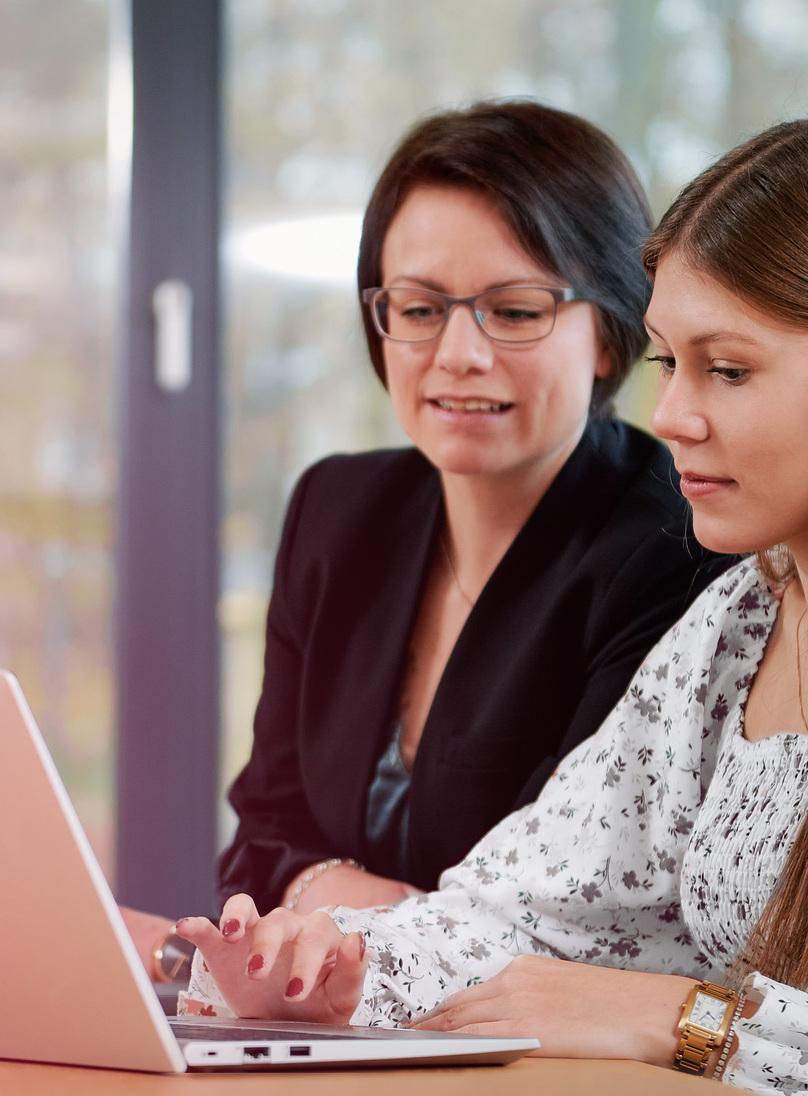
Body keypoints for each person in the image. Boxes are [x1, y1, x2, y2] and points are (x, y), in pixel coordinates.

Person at [176, 110, 808, 1093]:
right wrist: (339, 968)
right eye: (671, 361)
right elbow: (520, 907)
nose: (671, 417)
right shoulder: (740, 621)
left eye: (728, 369)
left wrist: (683, 1018)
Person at [124, 101, 730, 979]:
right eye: (419, 307)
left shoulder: (669, 553)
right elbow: (260, 841)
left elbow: (562, 914)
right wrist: (338, 902)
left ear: (609, 333)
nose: (456, 355)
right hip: (330, 1029)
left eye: (514, 311)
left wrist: (326, 905)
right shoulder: (338, 511)